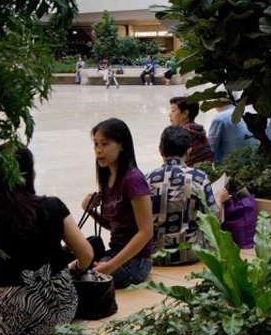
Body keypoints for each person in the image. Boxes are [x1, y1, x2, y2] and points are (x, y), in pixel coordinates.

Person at [0, 145, 93, 335]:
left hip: (14, 326)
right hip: (63, 312)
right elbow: (87, 255)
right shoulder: (53, 206)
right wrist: (73, 270)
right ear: (31, 174)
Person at [81, 118, 153, 288]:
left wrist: (111, 266)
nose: (98, 151)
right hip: (115, 254)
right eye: (96, 145)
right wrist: (89, 209)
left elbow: (146, 231)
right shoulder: (108, 179)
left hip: (136, 262)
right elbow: (116, 225)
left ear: (122, 145)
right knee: (73, 269)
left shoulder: (133, 179)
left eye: (104, 144)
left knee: (82, 281)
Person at [146, 126, 228, 264]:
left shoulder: (147, 179)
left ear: (160, 150)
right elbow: (213, 220)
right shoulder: (199, 177)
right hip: (191, 254)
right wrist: (220, 198)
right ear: (189, 151)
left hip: (156, 256)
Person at [169, 96, 214, 165]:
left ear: (185, 114)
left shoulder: (181, 136)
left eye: (173, 111)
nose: (170, 115)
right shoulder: (199, 131)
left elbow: (172, 163)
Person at [208, 98, 255, 163]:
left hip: (231, 167)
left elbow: (210, 149)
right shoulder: (248, 112)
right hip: (255, 162)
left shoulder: (219, 119)